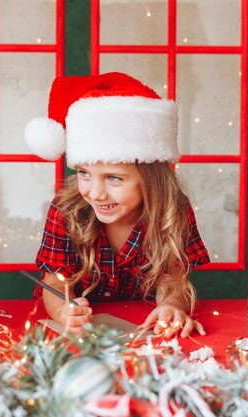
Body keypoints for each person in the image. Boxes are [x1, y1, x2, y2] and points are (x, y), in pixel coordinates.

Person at [24, 72, 210, 338]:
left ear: (151, 179)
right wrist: (64, 310)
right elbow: (54, 281)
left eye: (113, 178)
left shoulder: (172, 209)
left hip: (142, 326)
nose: (96, 193)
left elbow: (172, 278)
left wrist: (171, 305)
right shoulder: (66, 210)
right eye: (84, 174)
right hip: (81, 336)